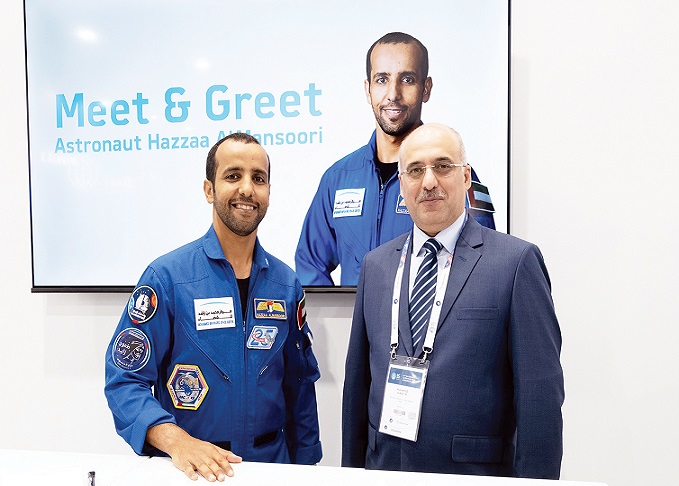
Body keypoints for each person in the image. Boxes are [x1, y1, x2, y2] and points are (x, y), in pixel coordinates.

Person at [341, 123, 563, 479]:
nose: (428, 182)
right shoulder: (376, 266)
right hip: (384, 470)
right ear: (402, 185)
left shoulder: (515, 263)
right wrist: (351, 476)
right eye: (415, 170)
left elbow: (540, 398)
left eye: (442, 166)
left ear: (466, 177)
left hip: (472, 475)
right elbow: (357, 388)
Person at [105, 133, 322, 482]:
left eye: (258, 178)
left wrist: (308, 468)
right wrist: (176, 442)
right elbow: (125, 381)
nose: (247, 189)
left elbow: (300, 386)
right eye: (233, 176)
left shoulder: (286, 284)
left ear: (268, 191)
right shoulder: (167, 278)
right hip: (192, 472)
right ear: (209, 190)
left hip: (272, 468)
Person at [295, 32, 496, 286]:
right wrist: (345, 310)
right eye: (382, 79)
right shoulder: (337, 178)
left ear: (426, 88)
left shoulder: (457, 175)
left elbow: (483, 261)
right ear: (368, 90)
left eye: (407, 79)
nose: (393, 94)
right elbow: (310, 266)